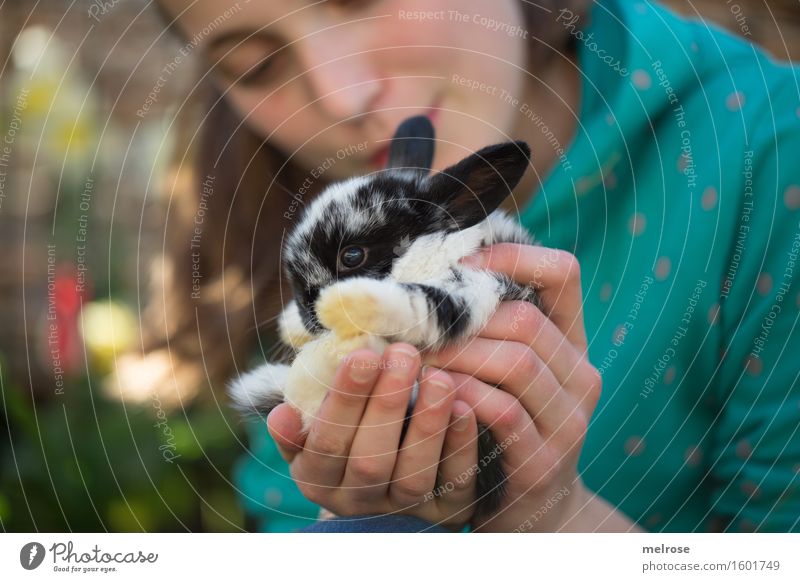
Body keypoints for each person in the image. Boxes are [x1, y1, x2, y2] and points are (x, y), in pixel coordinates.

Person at [144, 0, 800, 532]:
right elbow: (280, 511)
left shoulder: (769, 154)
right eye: (255, 65)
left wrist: (554, 520)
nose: (344, 97)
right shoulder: (303, 216)